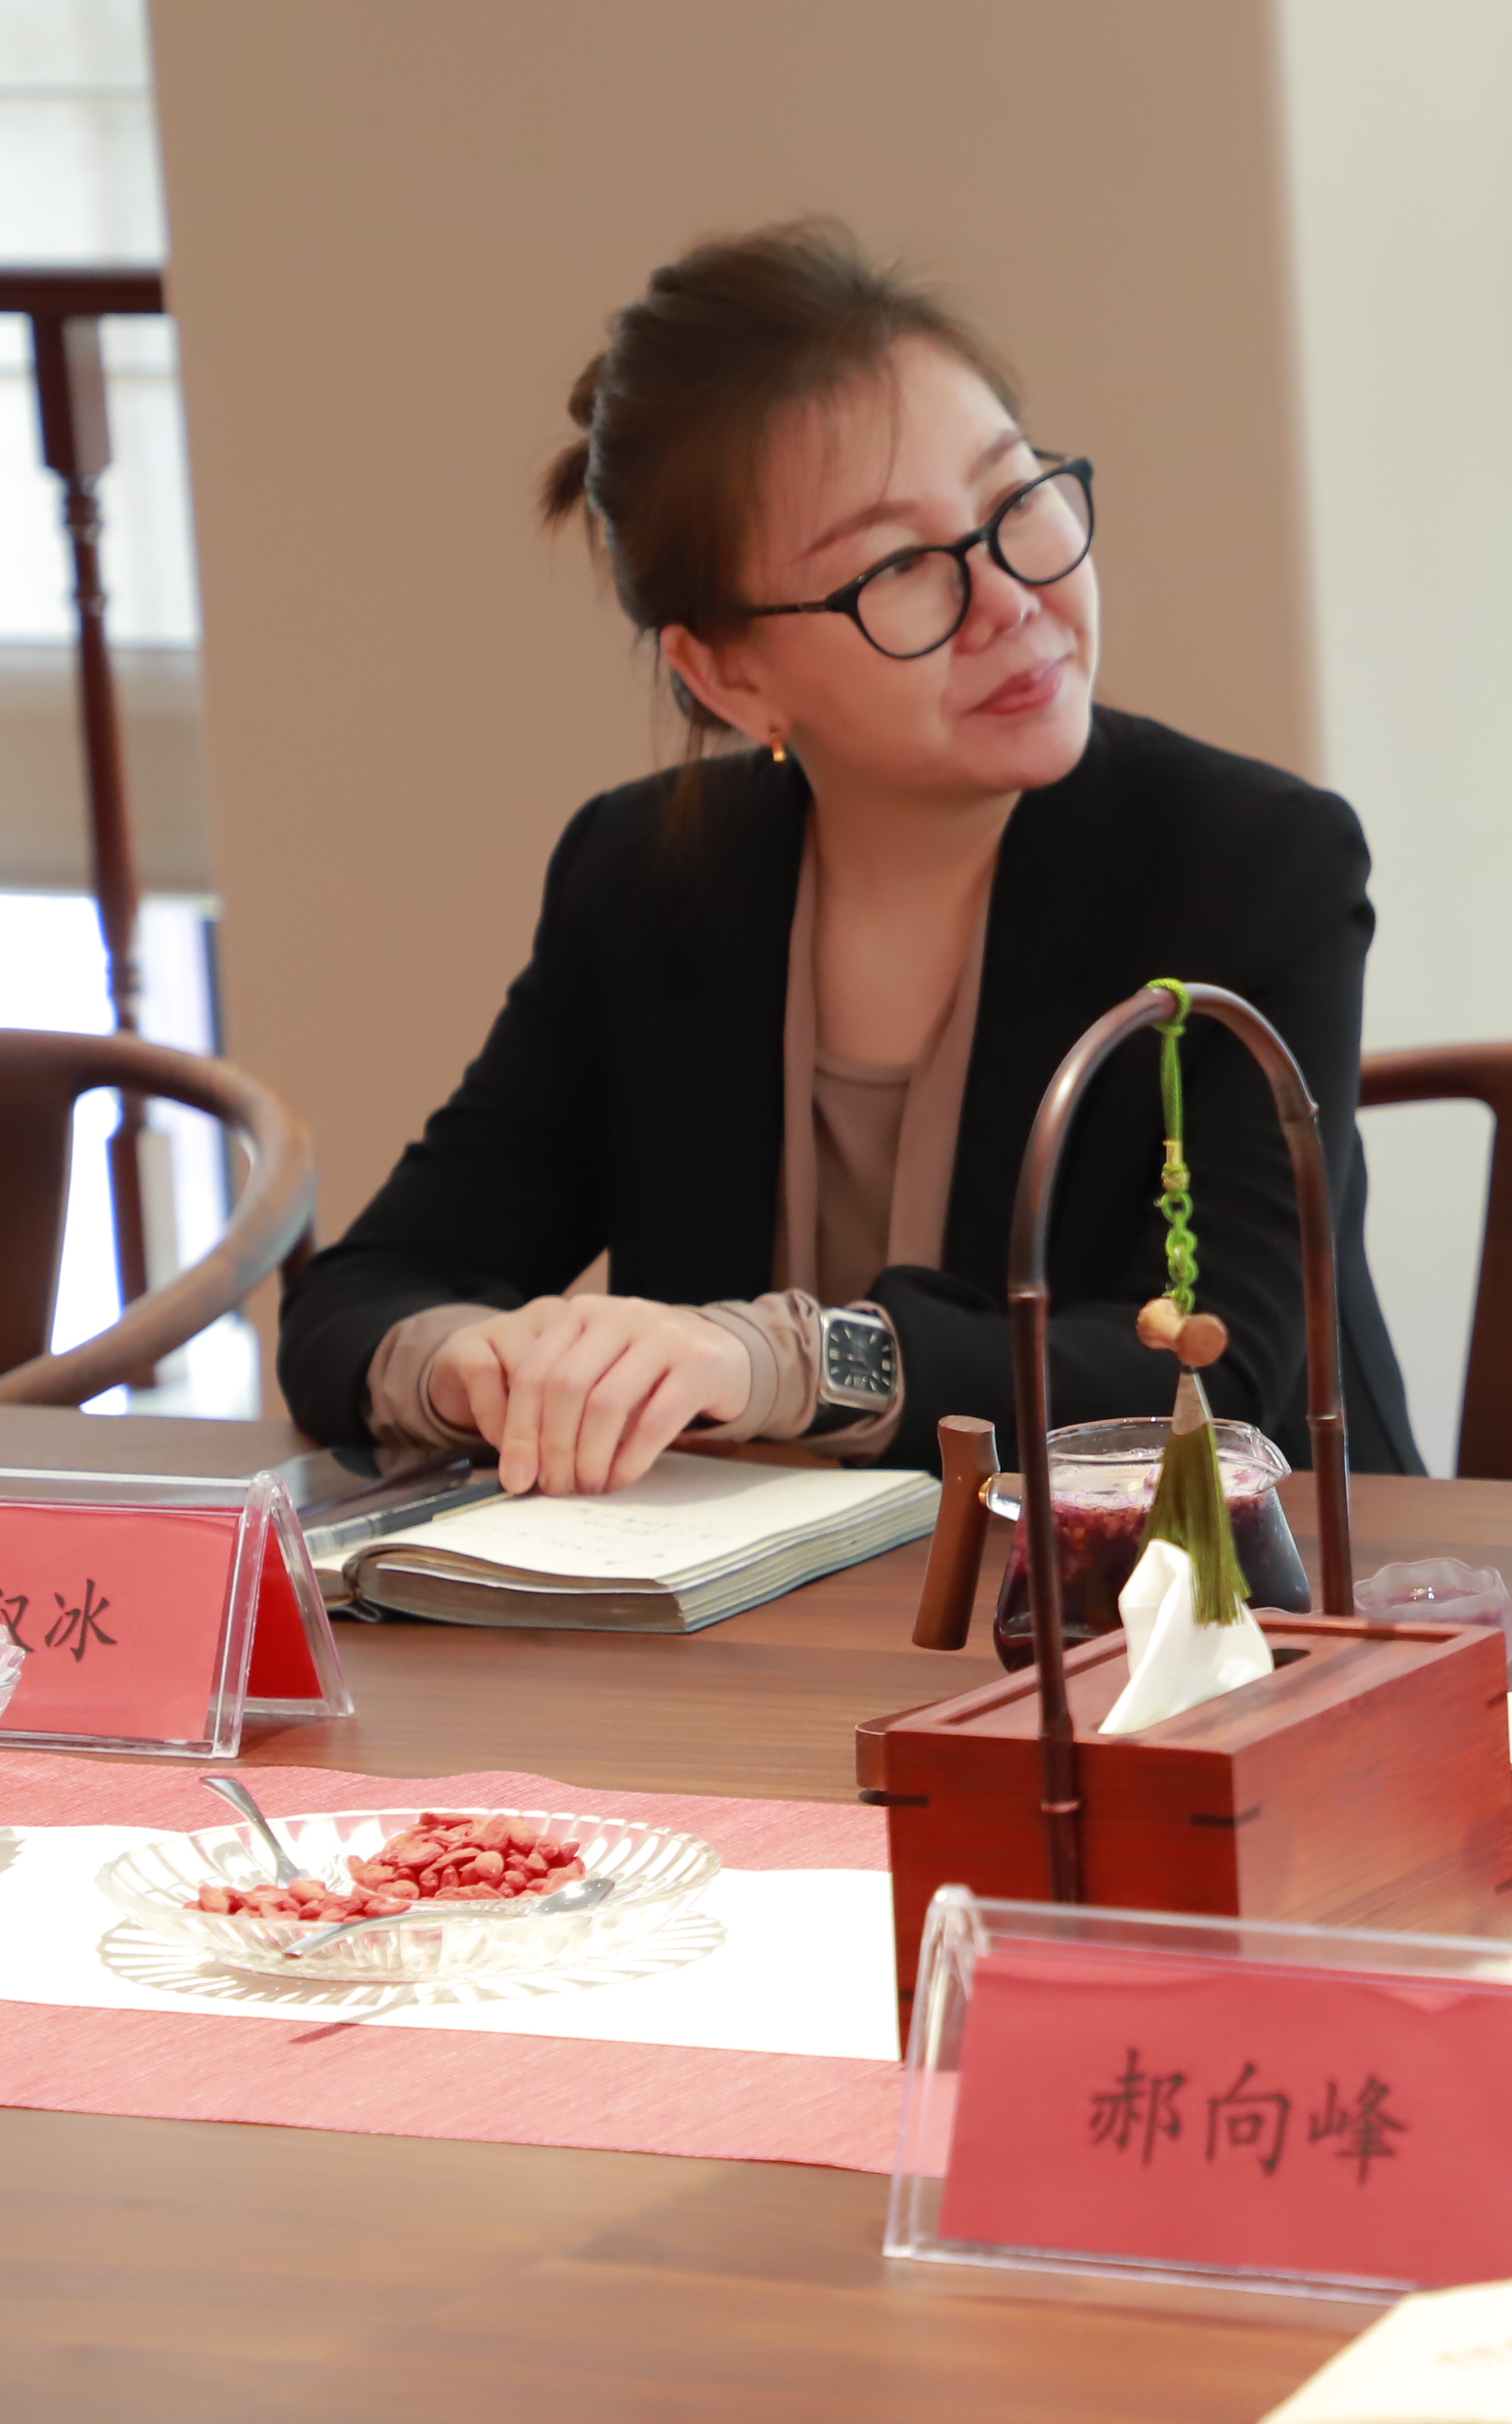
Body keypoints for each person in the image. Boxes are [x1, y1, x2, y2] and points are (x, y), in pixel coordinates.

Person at [281, 221, 1422, 1494]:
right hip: (790, 1607)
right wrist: (485, 1369)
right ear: (729, 675)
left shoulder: (1248, 860)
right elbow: (358, 1301)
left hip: (1234, 1588)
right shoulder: (645, 881)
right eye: (899, 568)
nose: (1010, 599)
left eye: (1016, 500)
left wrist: (785, 1361)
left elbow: (1222, 1373)